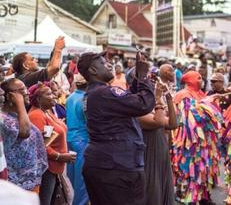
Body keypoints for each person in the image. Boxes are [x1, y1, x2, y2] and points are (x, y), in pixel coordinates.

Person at [77, 51, 155, 205]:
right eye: (103, 63)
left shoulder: (96, 93)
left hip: (107, 164)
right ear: (93, 70)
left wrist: (138, 77)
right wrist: (145, 77)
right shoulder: (103, 93)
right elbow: (143, 104)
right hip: (117, 167)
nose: (109, 65)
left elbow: (128, 100)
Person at [172, 70, 221, 205]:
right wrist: (208, 103)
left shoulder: (200, 94)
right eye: (198, 78)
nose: (202, 80)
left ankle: (203, 196)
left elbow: (211, 115)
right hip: (190, 140)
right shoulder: (183, 95)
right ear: (190, 81)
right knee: (190, 169)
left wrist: (212, 103)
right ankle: (188, 196)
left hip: (204, 140)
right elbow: (192, 117)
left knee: (204, 168)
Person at [28, 82, 75, 205]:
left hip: (55, 167)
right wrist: (60, 156)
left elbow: (49, 137)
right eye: (48, 94)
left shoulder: (47, 112)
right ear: (38, 99)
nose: (53, 95)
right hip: (47, 168)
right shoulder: (36, 115)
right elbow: (42, 146)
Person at [138, 65, 178, 205]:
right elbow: (159, 122)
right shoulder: (140, 114)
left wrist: (169, 99)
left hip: (161, 154)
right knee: (153, 192)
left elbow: (173, 124)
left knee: (163, 189)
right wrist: (158, 98)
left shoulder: (155, 110)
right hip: (149, 157)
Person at [0, 79, 47, 192]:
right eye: (22, 90)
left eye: (26, 88)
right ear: (10, 96)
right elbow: (24, 132)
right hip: (17, 184)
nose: (27, 92)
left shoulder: (17, 115)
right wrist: (20, 102)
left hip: (30, 181)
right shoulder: (3, 118)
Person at [66, 74, 89, 205]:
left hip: (71, 139)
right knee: (82, 182)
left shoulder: (71, 97)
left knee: (73, 178)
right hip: (83, 141)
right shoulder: (85, 99)